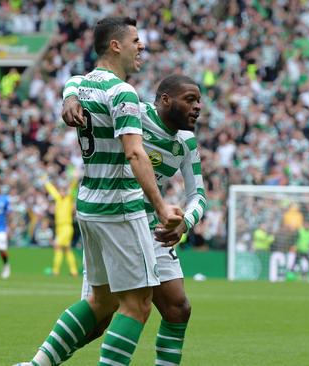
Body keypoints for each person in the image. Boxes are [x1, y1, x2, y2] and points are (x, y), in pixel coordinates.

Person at [15, 16, 182, 366]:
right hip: (120, 206)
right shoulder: (123, 92)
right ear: (115, 45)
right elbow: (135, 153)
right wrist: (162, 206)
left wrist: (69, 96)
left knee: (101, 302)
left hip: (89, 203)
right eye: (136, 41)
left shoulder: (83, 84)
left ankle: (36, 365)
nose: (142, 47)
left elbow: (73, 82)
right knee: (137, 305)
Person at [61, 73, 207, 366]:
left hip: (153, 228)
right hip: (118, 220)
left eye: (199, 101)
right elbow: (82, 80)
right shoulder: (135, 113)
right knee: (100, 319)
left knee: (178, 308)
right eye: (190, 99)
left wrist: (184, 222)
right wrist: (70, 96)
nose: (198, 107)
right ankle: (41, 362)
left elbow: (199, 195)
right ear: (165, 100)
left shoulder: (187, 143)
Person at [43, 171, 79, 277]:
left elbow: (72, 188)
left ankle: (55, 270)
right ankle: (74, 271)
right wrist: (46, 182)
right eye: (61, 191)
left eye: (63, 191)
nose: (62, 192)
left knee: (57, 247)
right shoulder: (58, 199)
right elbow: (52, 191)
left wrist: (75, 179)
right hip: (60, 228)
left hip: (66, 227)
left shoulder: (68, 199)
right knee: (67, 249)